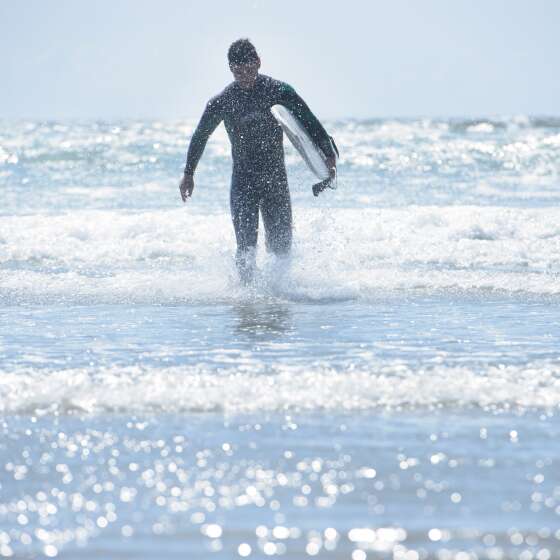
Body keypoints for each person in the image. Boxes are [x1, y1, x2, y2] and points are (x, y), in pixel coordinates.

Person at [179, 38, 336, 283]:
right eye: (238, 71)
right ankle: (246, 303)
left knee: (281, 249)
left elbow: (308, 121)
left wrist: (328, 154)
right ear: (230, 69)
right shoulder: (223, 101)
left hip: (275, 181)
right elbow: (201, 135)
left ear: (259, 63)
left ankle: (279, 299)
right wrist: (189, 173)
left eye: (249, 69)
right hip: (243, 182)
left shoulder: (279, 91)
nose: (244, 76)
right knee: (245, 249)